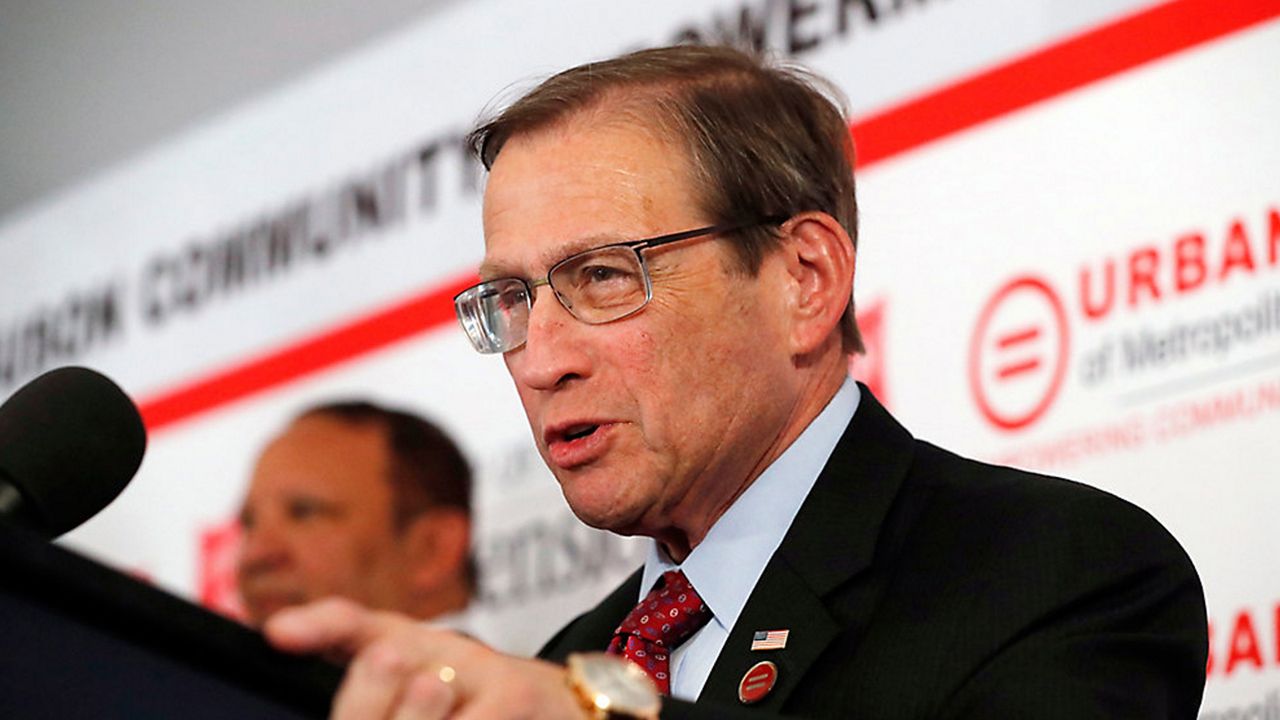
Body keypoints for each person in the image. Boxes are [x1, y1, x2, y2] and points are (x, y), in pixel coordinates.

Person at [264, 45, 1208, 718]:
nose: (542, 359)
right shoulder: (568, 668)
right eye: (511, 297)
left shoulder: (1057, 571)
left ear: (804, 281)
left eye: (602, 276)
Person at [237, 400, 475, 628]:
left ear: (433, 548)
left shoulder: (501, 668)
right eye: (248, 523)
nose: (255, 555)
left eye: (304, 513)